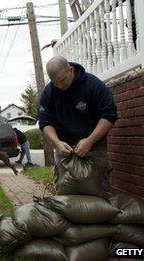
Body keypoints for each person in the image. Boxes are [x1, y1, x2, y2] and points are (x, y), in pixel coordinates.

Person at [38, 56, 117, 191]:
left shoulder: (93, 85)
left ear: (71, 70)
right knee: (65, 190)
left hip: (93, 145)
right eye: (55, 83)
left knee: (98, 188)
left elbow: (109, 115)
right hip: (64, 148)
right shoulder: (49, 92)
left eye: (62, 80)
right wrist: (57, 142)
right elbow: (45, 122)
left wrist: (90, 141)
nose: (60, 86)